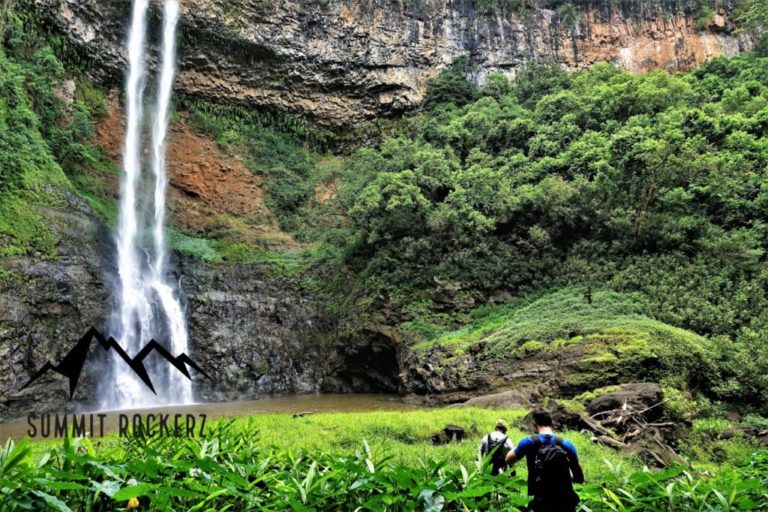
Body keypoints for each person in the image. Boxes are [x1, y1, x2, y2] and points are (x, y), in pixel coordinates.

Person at [505, 409, 584, 512]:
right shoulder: (566, 444)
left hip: (539, 501)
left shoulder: (528, 442)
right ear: (552, 422)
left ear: (534, 423)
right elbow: (579, 478)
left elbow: (508, 460)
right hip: (564, 502)